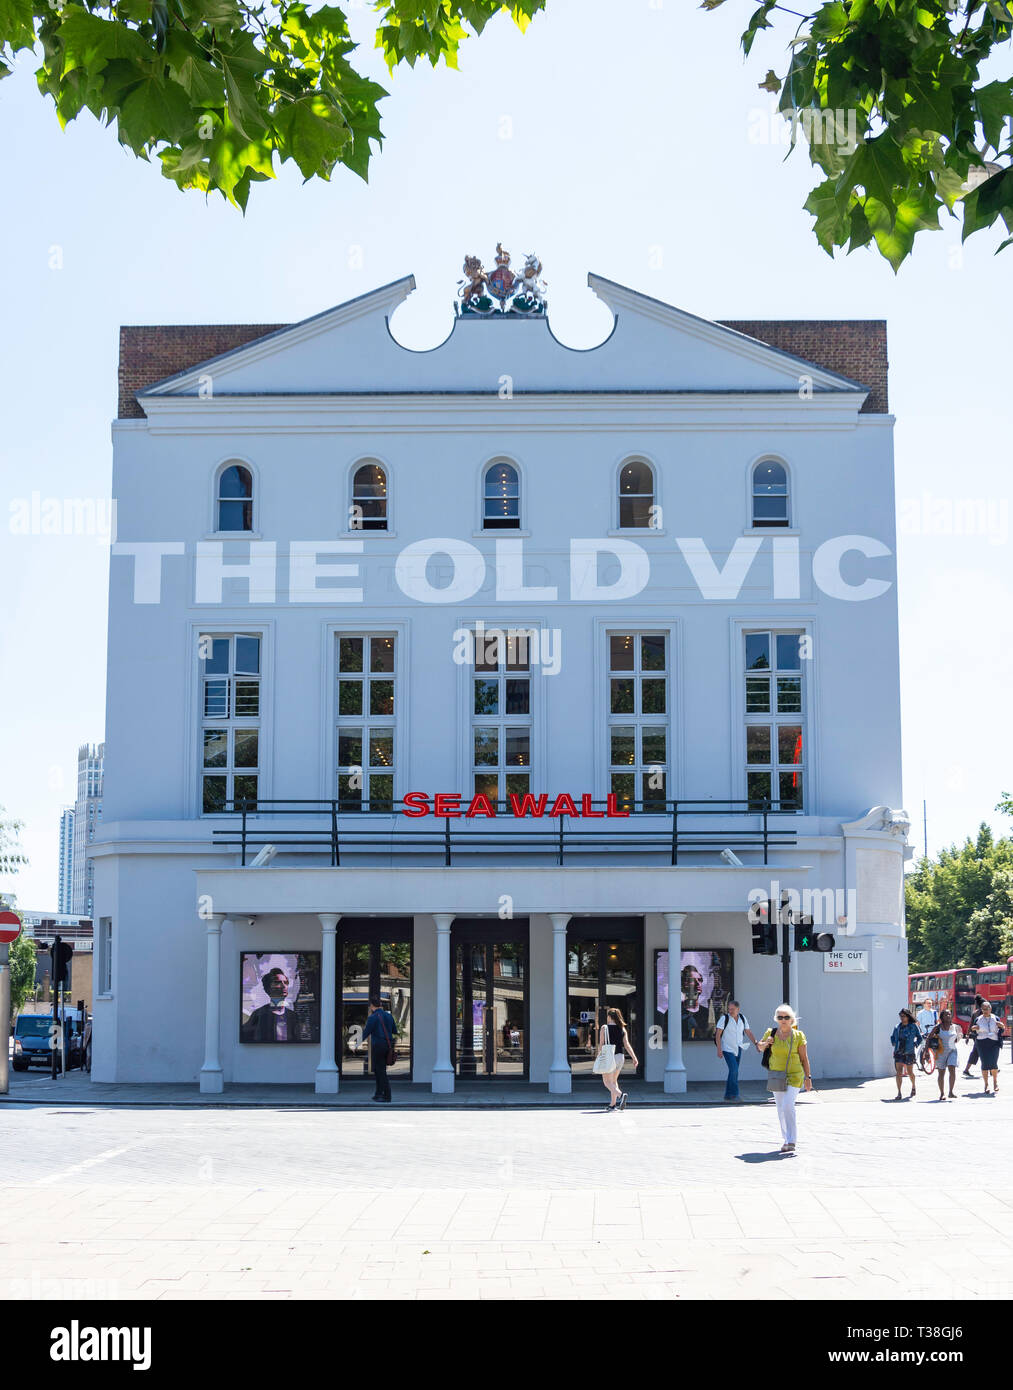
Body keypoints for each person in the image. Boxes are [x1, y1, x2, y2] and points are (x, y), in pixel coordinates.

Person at [757, 1003, 812, 1153]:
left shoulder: (799, 1036)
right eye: (780, 1017)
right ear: (776, 1019)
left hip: (795, 1076)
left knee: (788, 1105)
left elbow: (804, 1058)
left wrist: (808, 1077)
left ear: (792, 1019)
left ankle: (792, 1140)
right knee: (780, 1108)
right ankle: (786, 1139)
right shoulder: (771, 1033)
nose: (783, 1020)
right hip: (777, 1076)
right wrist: (766, 1043)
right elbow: (759, 1047)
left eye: (786, 1017)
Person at [241, 967, 305, 1043]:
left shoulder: (293, 1016)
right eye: (278, 982)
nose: (283, 986)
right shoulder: (258, 1015)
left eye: (285, 982)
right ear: (268, 988)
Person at [714, 999, 758, 1102]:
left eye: (732, 1009)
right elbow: (718, 1035)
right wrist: (719, 1049)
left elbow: (748, 1032)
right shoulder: (724, 1019)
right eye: (729, 1009)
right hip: (727, 1049)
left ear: (738, 1009)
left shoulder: (743, 1018)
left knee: (734, 1072)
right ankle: (735, 1095)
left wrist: (756, 1043)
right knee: (734, 1070)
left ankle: (728, 1095)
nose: (730, 1011)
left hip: (739, 1048)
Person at [597, 1007, 639, 1112]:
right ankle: (612, 1104)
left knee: (607, 1082)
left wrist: (599, 1056)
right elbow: (627, 1045)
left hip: (609, 1057)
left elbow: (601, 1044)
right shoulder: (622, 1028)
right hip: (620, 1057)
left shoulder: (604, 1028)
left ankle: (621, 1095)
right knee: (614, 1081)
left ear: (610, 1017)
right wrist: (634, 1057)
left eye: (607, 1015)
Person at [361, 996, 398, 1102]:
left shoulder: (372, 1017)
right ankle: (378, 1093)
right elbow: (394, 1030)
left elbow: (366, 1032)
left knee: (380, 1071)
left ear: (372, 1006)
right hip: (388, 1045)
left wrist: (356, 1043)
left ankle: (387, 1095)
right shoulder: (389, 1016)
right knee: (379, 1070)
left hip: (378, 1046)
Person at [969, 1000, 1004, 1095]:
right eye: (983, 1009)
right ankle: (986, 1084)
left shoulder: (995, 1018)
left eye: (986, 1009)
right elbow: (973, 1028)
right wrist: (974, 1028)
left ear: (990, 1009)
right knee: (984, 1063)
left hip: (994, 1043)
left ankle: (995, 1082)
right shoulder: (979, 1019)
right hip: (982, 1043)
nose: (985, 1011)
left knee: (993, 1063)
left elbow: (1002, 1029)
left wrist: (1002, 1026)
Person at [928, 1009, 961, 1100]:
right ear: (942, 1017)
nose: (948, 1016)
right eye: (946, 1015)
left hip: (952, 1051)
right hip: (941, 1052)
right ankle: (942, 1093)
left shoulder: (955, 1027)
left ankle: (951, 1092)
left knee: (952, 1069)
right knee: (941, 1073)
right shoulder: (937, 1027)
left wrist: (958, 1038)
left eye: (949, 1014)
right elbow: (929, 1038)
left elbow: (958, 1037)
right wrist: (926, 1052)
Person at [890, 1008, 922, 1099]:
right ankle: (899, 1093)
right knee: (898, 1072)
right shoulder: (897, 1026)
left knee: (910, 1072)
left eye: (903, 1016)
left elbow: (920, 1038)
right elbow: (892, 1036)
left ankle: (913, 1086)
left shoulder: (913, 1026)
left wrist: (915, 1044)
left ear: (908, 1016)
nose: (902, 1018)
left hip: (909, 1052)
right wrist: (893, 1042)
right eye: (900, 1016)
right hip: (898, 1052)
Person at [963, 995, 984, 1077]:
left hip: (976, 1036)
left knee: (979, 1052)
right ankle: (966, 1070)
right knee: (978, 1052)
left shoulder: (975, 1012)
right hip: (980, 1036)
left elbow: (970, 1025)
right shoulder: (982, 1013)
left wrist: (968, 1036)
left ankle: (990, 1068)